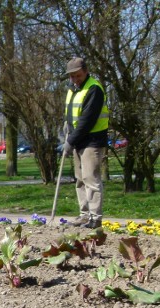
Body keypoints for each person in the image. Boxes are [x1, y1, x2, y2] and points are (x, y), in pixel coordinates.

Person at [63, 57, 109, 229]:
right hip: (78, 140)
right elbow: (71, 114)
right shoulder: (72, 89)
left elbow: (87, 120)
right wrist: (66, 127)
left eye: (78, 75)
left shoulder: (94, 89)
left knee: (91, 178)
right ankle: (84, 214)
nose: (75, 79)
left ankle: (95, 218)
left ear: (86, 71)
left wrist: (70, 141)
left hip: (93, 140)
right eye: (72, 76)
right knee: (80, 179)